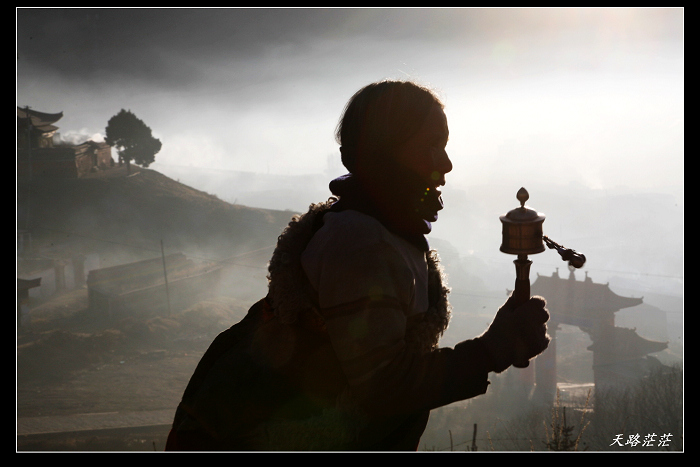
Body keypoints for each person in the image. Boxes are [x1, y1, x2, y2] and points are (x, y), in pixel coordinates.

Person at [166, 80, 550, 451]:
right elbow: (382, 386)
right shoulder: (361, 244)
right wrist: (489, 351)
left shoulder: (381, 229)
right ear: (386, 151)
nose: (446, 165)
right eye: (432, 146)